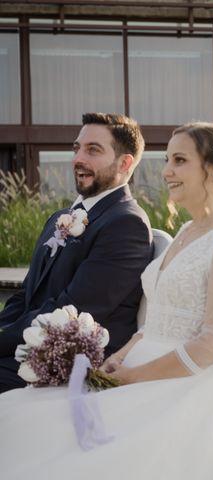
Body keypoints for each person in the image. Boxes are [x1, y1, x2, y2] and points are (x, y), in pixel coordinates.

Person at [0, 122, 213, 479]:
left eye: (179, 160)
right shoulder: (188, 232)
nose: (166, 171)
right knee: (19, 415)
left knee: (47, 443)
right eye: (167, 160)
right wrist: (118, 357)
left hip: (184, 384)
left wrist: (134, 378)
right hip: (137, 366)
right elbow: (154, 323)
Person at [0, 113, 153, 393]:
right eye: (76, 149)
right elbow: (26, 295)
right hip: (35, 345)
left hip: (76, 362)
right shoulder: (61, 217)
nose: (77, 159)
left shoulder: (126, 224)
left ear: (125, 162)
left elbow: (73, 310)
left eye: (92, 150)